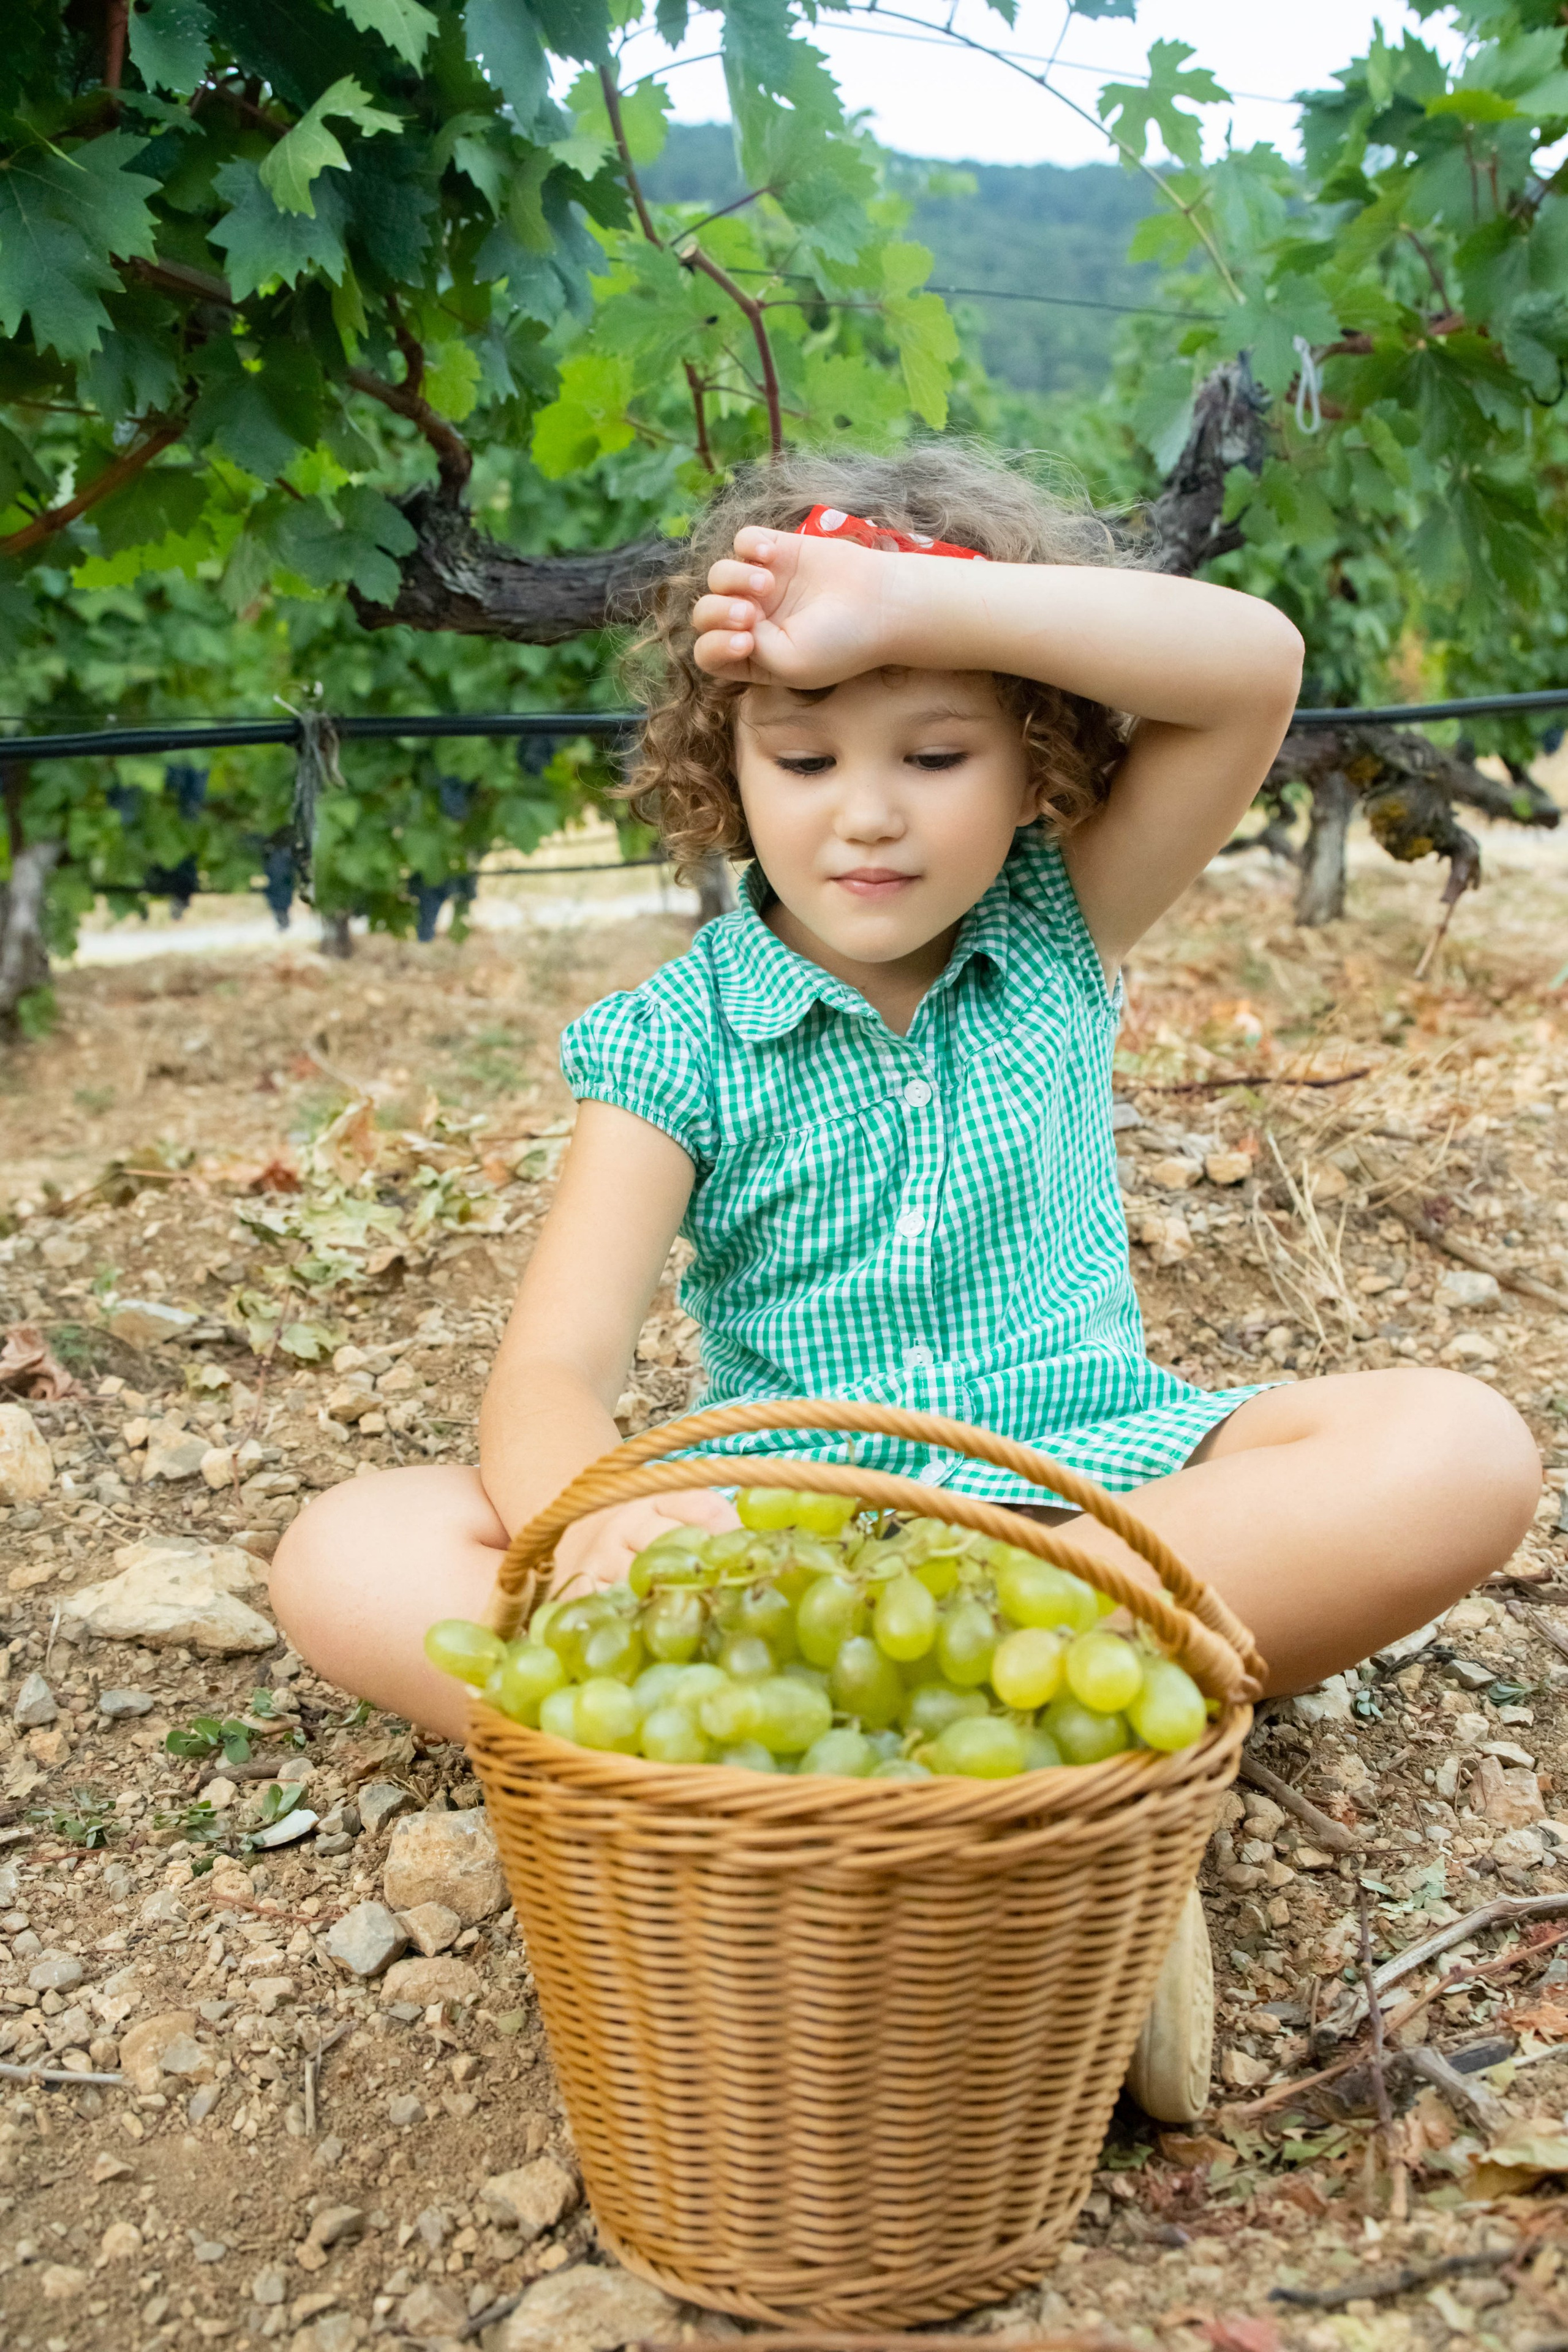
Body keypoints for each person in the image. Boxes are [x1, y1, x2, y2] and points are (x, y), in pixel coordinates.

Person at [271, 443, 1539, 1749]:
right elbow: (548, 1371)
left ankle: (844, 1722)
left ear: (1034, 760)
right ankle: (934, 1715)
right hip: (779, 1535)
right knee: (350, 1544)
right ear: (729, 771)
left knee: (1456, 1445)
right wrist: (595, 1515)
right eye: (804, 763)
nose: (865, 816)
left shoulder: (1063, 920)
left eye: (933, 756)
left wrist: (915, 604)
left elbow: (1250, 669)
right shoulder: (670, 1043)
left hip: (1091, 1495)